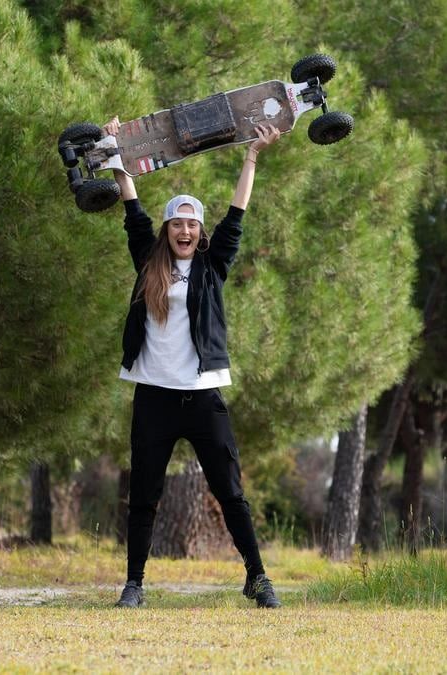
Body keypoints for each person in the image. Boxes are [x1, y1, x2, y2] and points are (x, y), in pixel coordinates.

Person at [104, 115, 282, 609]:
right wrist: (116, 151)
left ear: (199, 230)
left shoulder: (211, 264)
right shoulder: (148, 260)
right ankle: (134, 584)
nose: (185, 229)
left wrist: (251, 155)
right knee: (144, 495)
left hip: (202, 396)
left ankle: (258, 577)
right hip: (154, 396)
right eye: (177, 222)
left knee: (230, 493)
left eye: (192, 223)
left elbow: (238, 213)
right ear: (166, 229)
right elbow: (131, 205)